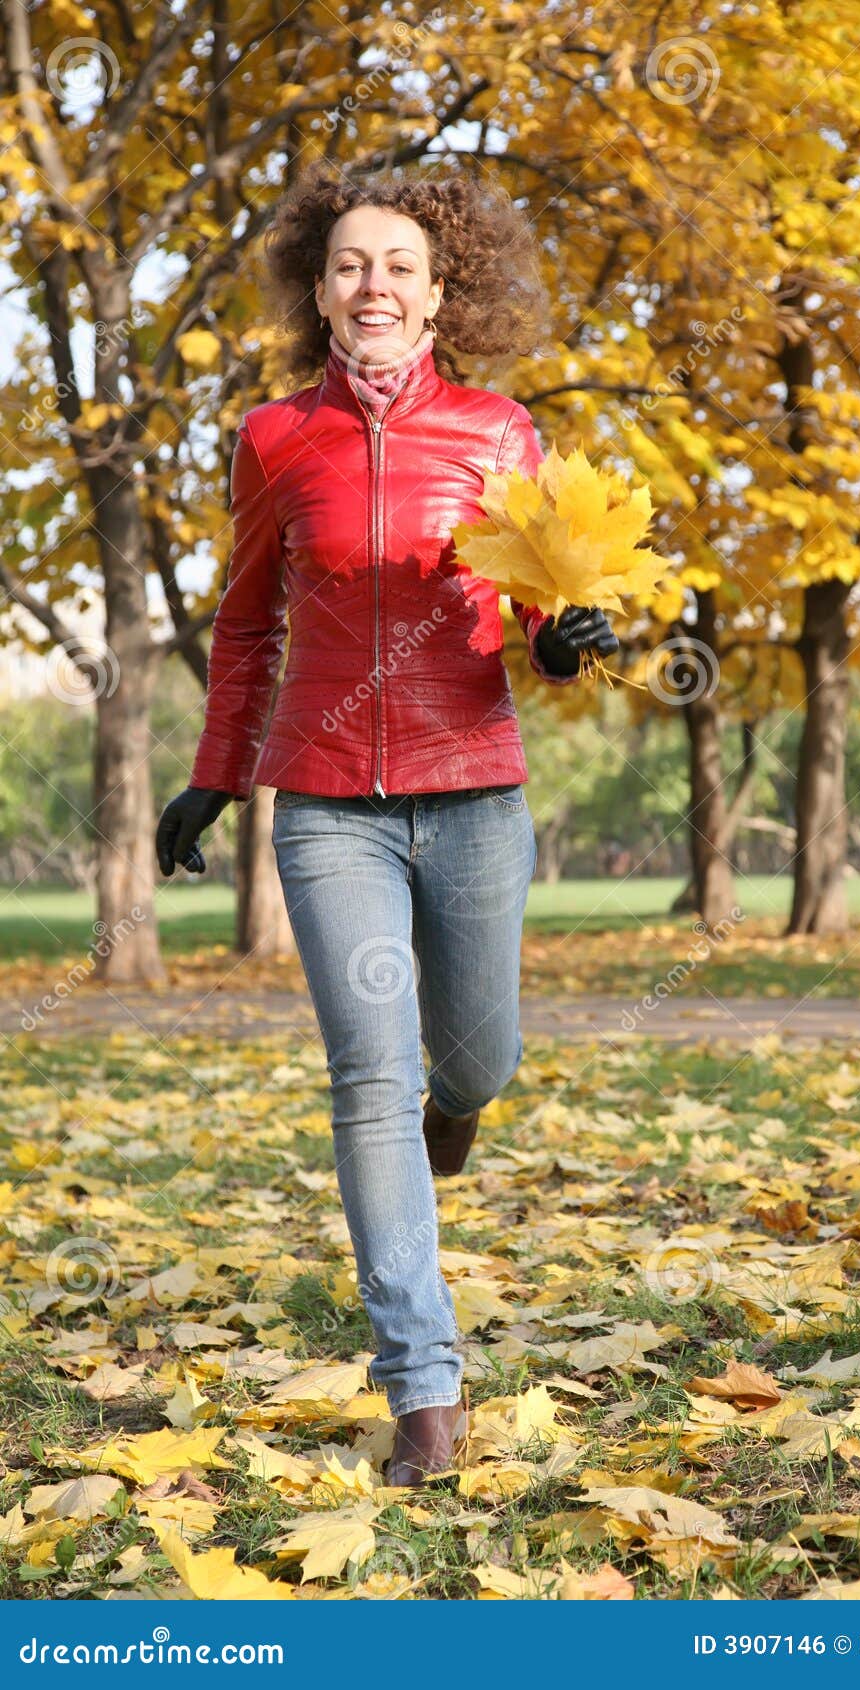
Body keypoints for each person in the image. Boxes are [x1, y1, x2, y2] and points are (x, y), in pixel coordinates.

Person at [154, 164, 618, 1490]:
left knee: (479, 1059)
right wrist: (216, 774)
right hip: (326, 809)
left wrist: (565, 643)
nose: (375, 284)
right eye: (351, 264)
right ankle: (423, 1383)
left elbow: (544, 603)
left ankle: (456, 1107)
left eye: (400, 264)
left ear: (436, 289)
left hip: (472, 787)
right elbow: (248, 621)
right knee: (367, 1077)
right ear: (320, 291)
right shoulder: (271, 439)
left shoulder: (497, 431)